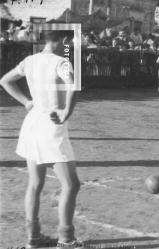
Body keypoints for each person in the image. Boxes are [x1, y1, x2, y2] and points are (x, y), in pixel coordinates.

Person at [0, 31, 82, 248]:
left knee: (35, 183)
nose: (71, 46)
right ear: (63, 40)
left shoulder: (30, 60)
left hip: (32, 124)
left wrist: (26, 102)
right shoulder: (62, 62)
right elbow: (74, 87)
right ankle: (66, 239)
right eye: (70, 42)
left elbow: (5, 80)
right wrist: (67, 112)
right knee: (71, 185)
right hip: (52, 126)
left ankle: (33, 239)